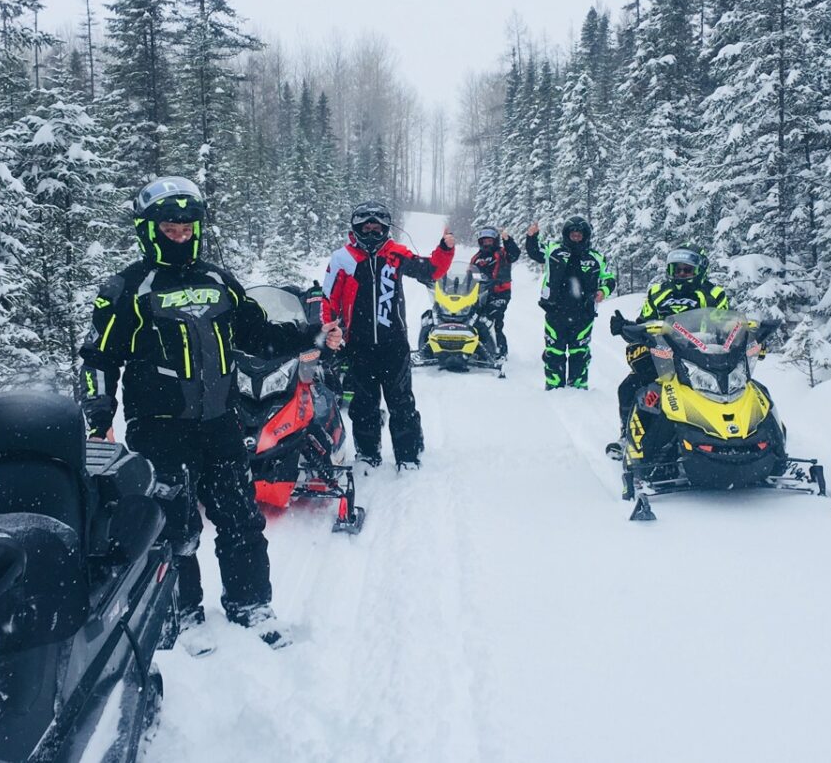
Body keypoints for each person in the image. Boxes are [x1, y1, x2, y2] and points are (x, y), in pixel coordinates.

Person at [78, 176, 342, 654]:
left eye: (186, 227)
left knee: (241, 519)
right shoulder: (128, 288)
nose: (179, 235)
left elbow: (258, 335)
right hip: (158, 431)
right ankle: (180, 613)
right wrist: (99, 419)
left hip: (222, 424)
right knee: (173, 529)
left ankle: (251, 605)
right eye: (170, 227)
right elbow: (98, 359)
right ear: (150, 230)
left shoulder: (219, 281)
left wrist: (311, 336)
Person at [322, 201, 454, 468]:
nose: (371, 233)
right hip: (358, 345)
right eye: (366, 228)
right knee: (363, 405)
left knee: (402, 403)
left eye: (377, 228)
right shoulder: (342, 258)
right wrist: (329, 329)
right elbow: (328, 299)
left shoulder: (396, 253)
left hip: (394, 344)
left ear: (385, 229)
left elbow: (431, 270)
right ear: (356, 228)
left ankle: (409, 455)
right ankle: (368, 454)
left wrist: (445, 250)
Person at [608, 243, 729, 467]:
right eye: (677, 270)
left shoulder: (713, 294)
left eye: (687, 270)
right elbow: (644, 324)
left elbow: (725, 327)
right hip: (664, 356)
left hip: (705, 357)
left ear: (700, 270)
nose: (682, 274)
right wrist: (625, 327)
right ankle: (629, 437)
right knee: (631, 387)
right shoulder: (658, 292)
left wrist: (746, 340)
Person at [525, 216, 616, 389]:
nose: (575, 237)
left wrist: (602, 291)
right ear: (566, 234)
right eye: (572, 234)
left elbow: (610, 278)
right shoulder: (553, 250)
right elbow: (535, 252)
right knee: (554, 352)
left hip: (584, 313)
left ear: (585, 236)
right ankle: (554, 386)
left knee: (580, 353)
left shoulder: (596, 257)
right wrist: (532, 236)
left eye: (579, 235)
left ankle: (578, 387)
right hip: (555, 311)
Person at [469, 226, 521, 357]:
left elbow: (514, 254)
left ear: (495, 241)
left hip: (500, 292)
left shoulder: (502, 253)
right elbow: (470, 275)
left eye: (489, 241)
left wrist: (507, 240)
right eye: (484, 241)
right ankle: (477, 346)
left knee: (493, 319)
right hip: (480, 293)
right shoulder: (476, 258)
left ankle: (500, 350)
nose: (487, 243)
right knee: (473, 318)